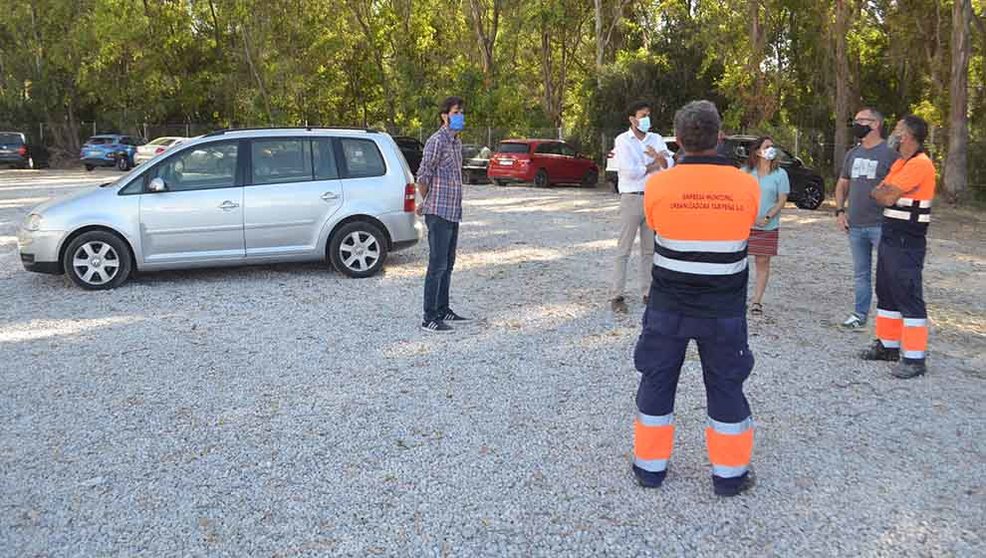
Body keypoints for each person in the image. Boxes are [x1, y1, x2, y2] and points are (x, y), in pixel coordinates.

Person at [633, 100, 761, 497]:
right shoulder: (747, 184)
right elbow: (749, 225)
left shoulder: (658, 184)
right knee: (725, 386)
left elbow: (655, 225)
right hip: (723, 310)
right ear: (719, 137)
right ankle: (729, 475)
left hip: (668, 306)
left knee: (657, 380)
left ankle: (649, 469)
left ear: (679, 139)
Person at [861, 115, 936, 379]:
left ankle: (915, 358)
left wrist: (886, 193)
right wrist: (884, 192)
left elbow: (886, 195)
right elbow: (878, 191)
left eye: (898, 130)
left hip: (907, 237)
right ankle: (887, 345)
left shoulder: (919, 164)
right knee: (886, 289)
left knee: (907, 291)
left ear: (908, 136)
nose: (894, 134)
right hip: (892, 234)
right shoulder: (901, 163)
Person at [835, 108, 899, 329]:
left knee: (888, 273)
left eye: (861, 120)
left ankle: (889, 318)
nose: (856, 123)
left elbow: (899, 188)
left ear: (875, 124)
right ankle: (859, 315)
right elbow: (842, 184)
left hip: (882, 224)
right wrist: (840, 211)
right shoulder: (852, 154)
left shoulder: (890, 154)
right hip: (855, 225)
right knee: (861, 274)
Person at [610, 100, 674, 313]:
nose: (646, 119)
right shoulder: (622, 140)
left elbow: (669, 165)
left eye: (648, 114)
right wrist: (654, 163)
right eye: (642, 115)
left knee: (650, 250)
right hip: (631, 198)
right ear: (632, 119)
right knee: (624, 249)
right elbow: (629, 171)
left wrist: (657, 161)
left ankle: (648, 292)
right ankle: (617, 294)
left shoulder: (656, 138)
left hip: (653, 199)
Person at [417, 96, 469, 333]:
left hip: (452, 211)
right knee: (437, 264)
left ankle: (443, 308)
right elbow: (424, 175)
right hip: (438, 211)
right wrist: (426, 200)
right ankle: (429, 317)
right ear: (444, 116)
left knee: (448, 264)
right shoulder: (436, 141)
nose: (460, 116)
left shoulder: (456, 143)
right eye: (456, 112)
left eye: (461, 112)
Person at [743, 136, 790, 316]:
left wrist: (769, 216)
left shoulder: (780, 174)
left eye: (773, 146)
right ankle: (738, 297)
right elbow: (739, 196)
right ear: (757, 151)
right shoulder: (745, 172)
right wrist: (750, 217)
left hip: (768, 225)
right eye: (767, 146)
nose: (772, 149)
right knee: (739, 262)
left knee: (762, 262)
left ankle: (757, 301)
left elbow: (782, 200)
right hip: (745, 224)